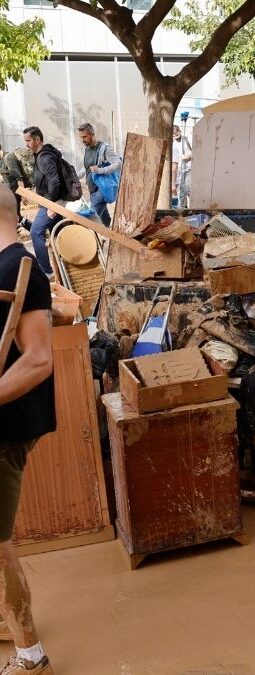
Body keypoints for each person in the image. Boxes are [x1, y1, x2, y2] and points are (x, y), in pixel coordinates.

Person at [0, 184, 56, 675]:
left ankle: (30, 657)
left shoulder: (20, 267)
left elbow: (38, 360)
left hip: (5, 428)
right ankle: (7, 618)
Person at [23, 127, 65, 277]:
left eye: (28, 141)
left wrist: (51, 205)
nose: (26, 144)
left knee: (36, 232)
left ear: (37, 140)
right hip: (48, 201)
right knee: (59, 233)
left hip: (51, 202)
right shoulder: (40, 155)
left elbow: (54, 181)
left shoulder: (44, 157)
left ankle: (46, 272)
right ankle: (67, 267)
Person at [77, 123, 121, 227]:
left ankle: (90, 242)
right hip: (92, 191)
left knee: (89, 221)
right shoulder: (87, 149)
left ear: (92, 134)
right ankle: (110, 235)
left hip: (101, 190)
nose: (82, 140)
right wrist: (75, 177)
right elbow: (86, 167)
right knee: (104, 220)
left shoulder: (104, 148)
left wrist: (100, 170)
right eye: (81, 137)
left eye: (84, 137)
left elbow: (118, 164)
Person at [0, 148, 33, 222]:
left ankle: (32, 228)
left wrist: (23, 196)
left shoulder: (9, 158)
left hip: (16, 191)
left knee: (14, 215)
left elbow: (19, 178)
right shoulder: (1, 160)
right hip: (9, 192)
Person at [172, 125, 192, 208]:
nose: (176, 138)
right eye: (173, 136)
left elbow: (198, 150)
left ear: (179, 131)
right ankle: (184, 209)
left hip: (189, 170)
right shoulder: (174, 144)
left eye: (176, 135)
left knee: (188, 192)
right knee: (182, 193)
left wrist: (189, 156)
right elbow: (175, 165)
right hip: (181, 171)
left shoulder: (187, 139)